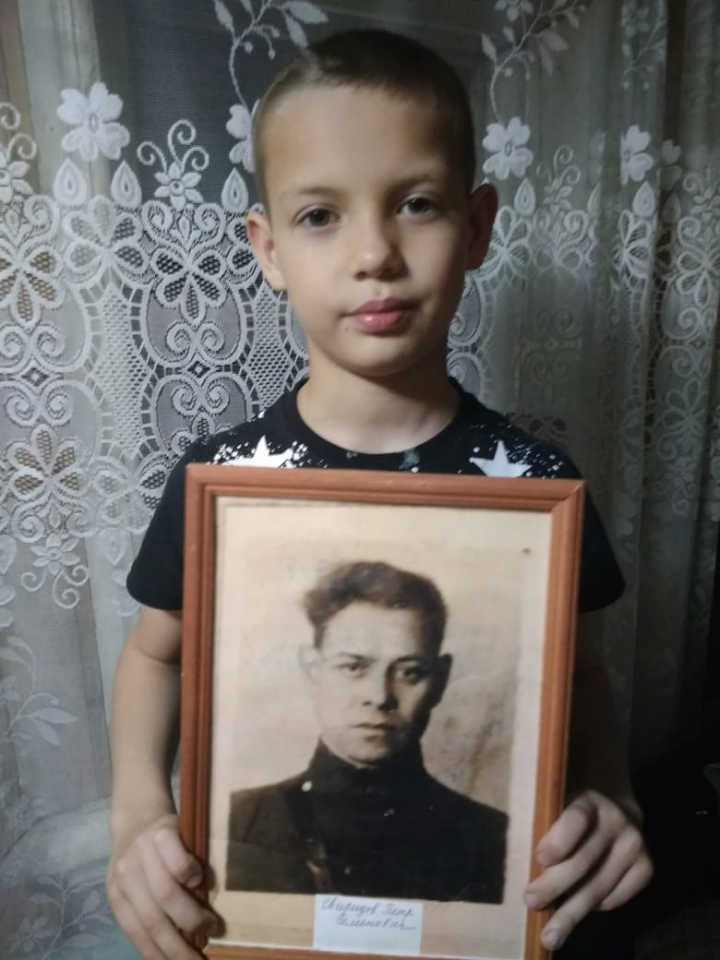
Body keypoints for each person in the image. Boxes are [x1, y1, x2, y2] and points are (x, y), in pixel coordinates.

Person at [107, 28, 653, 960]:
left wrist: (616, 796)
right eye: (321, 215)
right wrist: (135, 815)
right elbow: (156, 657)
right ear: (269, 248)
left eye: (416, 204)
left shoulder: (539, 486)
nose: (374, 254)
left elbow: (582, 673)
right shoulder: (225, 483)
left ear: (476, 227)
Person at [226, 560, 508, 903]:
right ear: (312, 670)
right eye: (353, 667)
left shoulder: (495, 839)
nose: (379, 696)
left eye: (409, 672)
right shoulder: (234, 822)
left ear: (440, 680)